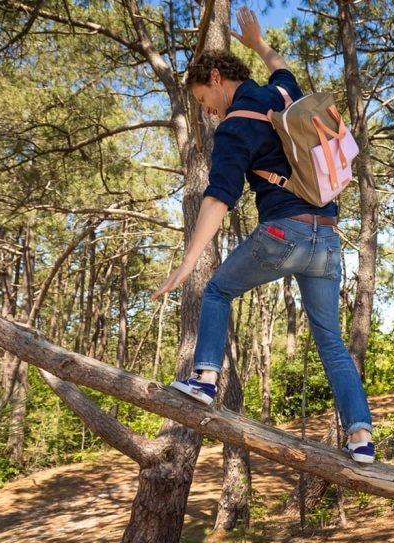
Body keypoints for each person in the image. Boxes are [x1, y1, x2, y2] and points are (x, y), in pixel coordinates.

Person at [150, 8, 374, 463]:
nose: (204, 109)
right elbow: (282, 69)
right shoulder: (279, 95)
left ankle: (205, 379)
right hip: (327, 238)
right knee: (330, 341)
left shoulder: (235, 126)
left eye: (200, 97)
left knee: (216, 291)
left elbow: (217, 198)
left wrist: (189, 262)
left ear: (215, 77)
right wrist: (257, 43)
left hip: (282, 233)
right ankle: (361, 436)